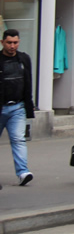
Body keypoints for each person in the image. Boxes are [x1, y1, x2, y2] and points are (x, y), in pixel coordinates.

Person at [1, 29, 35, 187]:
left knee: (18, 139)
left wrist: (29, 107)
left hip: (17, 107)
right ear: (2, 43)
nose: (12, 46)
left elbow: (28, 83)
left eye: (15, 42)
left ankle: (23, 172)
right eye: (9, 43)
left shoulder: (24, 59)